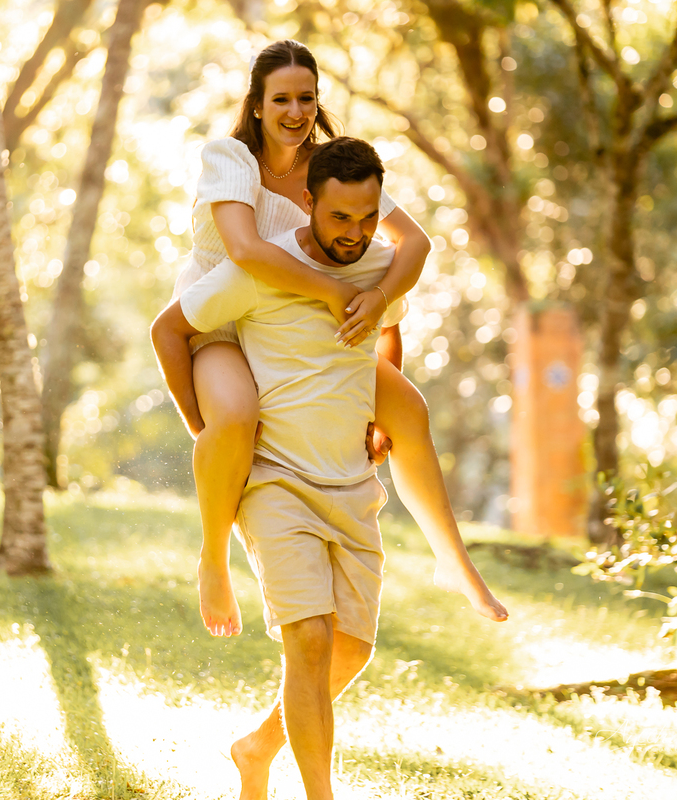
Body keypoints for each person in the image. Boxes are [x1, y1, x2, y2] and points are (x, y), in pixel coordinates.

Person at [175, 39, 507, 639]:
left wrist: (375, 302)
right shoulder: (230, 158)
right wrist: (333, 295)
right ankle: (213, 561)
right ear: (256, 104)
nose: (296, 112)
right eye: (282, 99)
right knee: (238, 416)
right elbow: (247, 252)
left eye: (307, 97)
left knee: (410, 409)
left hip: (297, 328)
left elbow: (414, 244)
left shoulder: (331, 170)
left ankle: (453, 562)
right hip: (222, 321)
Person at [154, 137, 435, 800]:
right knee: (307, 639)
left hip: (343, 474)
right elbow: (173, 327)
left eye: (367, 219)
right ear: (309, 203)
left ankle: (256, 748)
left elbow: (397, 294)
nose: (357, 232)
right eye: (341, 218)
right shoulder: (253, 236)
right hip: (266, 447)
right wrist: (207, 431)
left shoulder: (368, 247)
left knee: (349, 649)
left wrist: (375, 404)